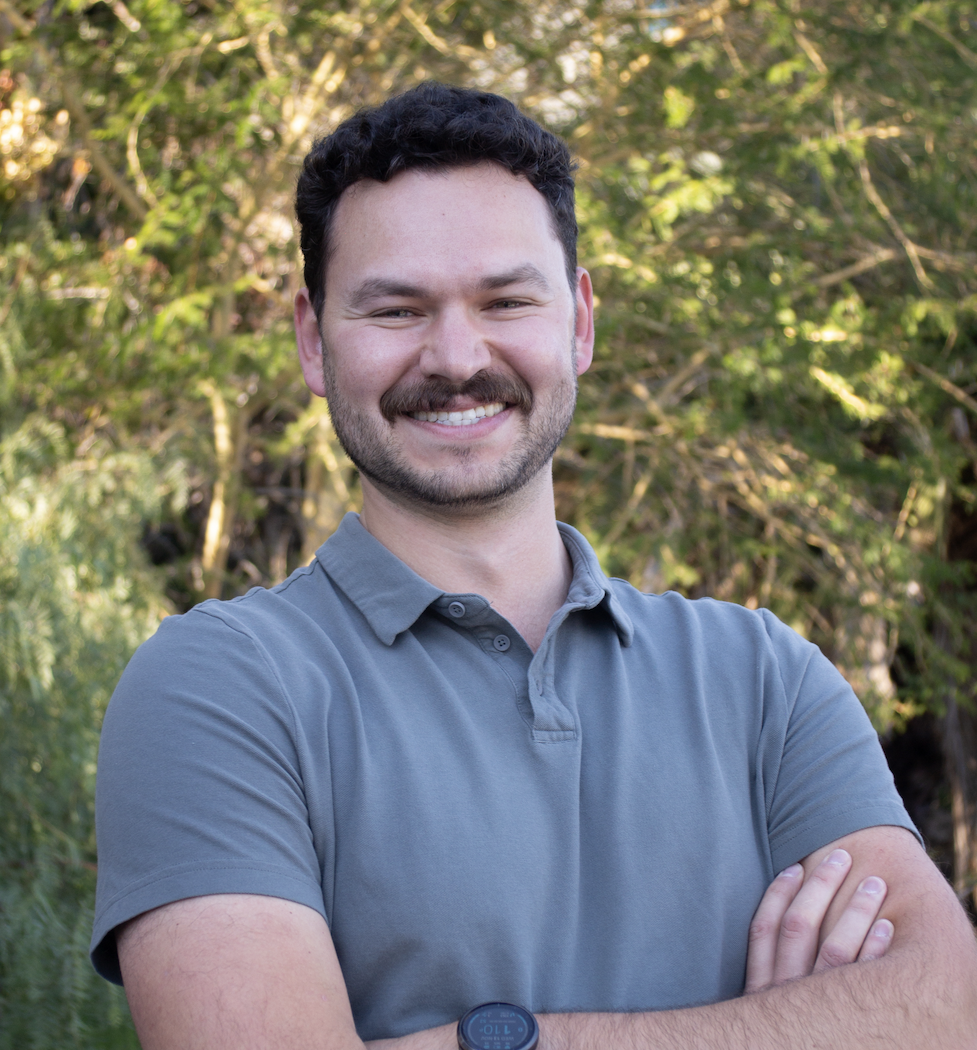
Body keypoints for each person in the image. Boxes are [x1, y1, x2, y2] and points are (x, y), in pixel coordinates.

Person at [91, 83, 977, 1049]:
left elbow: (945, 1007)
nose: (456, 356)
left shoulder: (766, 679)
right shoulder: (219, 687)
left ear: (580, 322)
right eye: (395, 309)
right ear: (312, 340)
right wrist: (786, 1028)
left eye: (506, 300)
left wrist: (494, 1039)